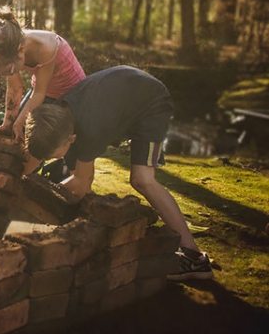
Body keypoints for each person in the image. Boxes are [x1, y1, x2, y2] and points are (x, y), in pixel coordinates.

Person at [24, 65, 214, 281]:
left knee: (142, 180)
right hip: (122, 92)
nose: (55, 160)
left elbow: (82, 184)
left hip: (151, 102)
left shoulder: (89, 130)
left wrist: (41, 200)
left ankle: (195, 258)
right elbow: (79, 182)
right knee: (79, 174)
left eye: (56, 155)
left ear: (71, 139)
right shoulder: (58, 115)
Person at [0, 6, 85, 176]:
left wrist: (20, 123)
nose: (8, 75)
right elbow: (15, 87)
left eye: (9, 72)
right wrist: (8, 123)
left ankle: (53, 175)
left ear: (21, 50)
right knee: (16, 134)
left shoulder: (47, 47)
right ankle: (16, 175)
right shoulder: (8, 48)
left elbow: (39, 94)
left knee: (43, 140)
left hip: (72, 95)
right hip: (45, 91)